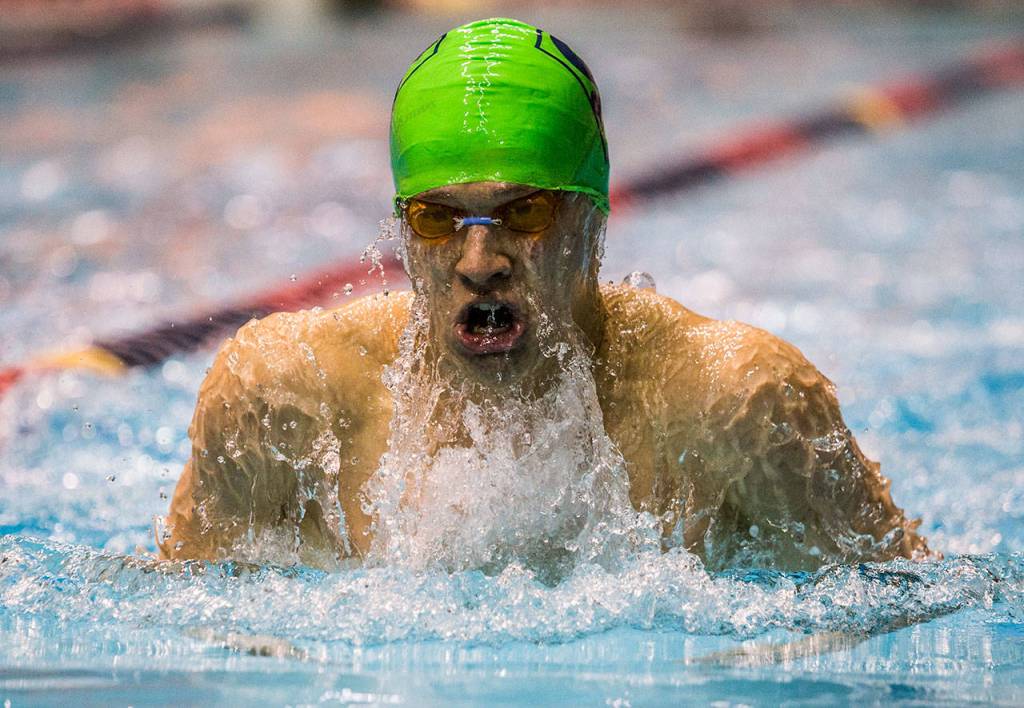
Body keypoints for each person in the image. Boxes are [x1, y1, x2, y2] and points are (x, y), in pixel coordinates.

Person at [160, 18, 930, 573]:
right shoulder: (281, 397)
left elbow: (910, 616)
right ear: (399, 227)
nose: (479, 260)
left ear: (594, 216)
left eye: (525, 211)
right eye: (436, 218)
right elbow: (178, 632)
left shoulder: (734, 404)